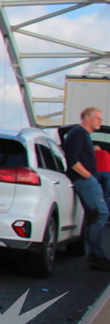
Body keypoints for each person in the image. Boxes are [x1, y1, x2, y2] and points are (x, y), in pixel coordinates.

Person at [63, 107, 109, 271]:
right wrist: (88, 176)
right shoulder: (79, 132)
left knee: (92, 215)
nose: (100, 122)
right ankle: (97, 255)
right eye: (98, 118)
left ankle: (96, 255)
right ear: (87, 118)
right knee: (100, 213)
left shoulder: (83, 135)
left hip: (86, 179)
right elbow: (72, 158)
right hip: (84, 179)